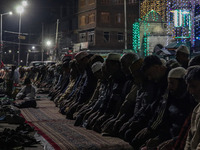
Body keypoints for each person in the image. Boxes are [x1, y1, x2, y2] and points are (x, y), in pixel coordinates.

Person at [184, 66, 200, 150]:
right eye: (189, 87)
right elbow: (189, 138)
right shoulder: (197, 109)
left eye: (194, 86)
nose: (191, 91)